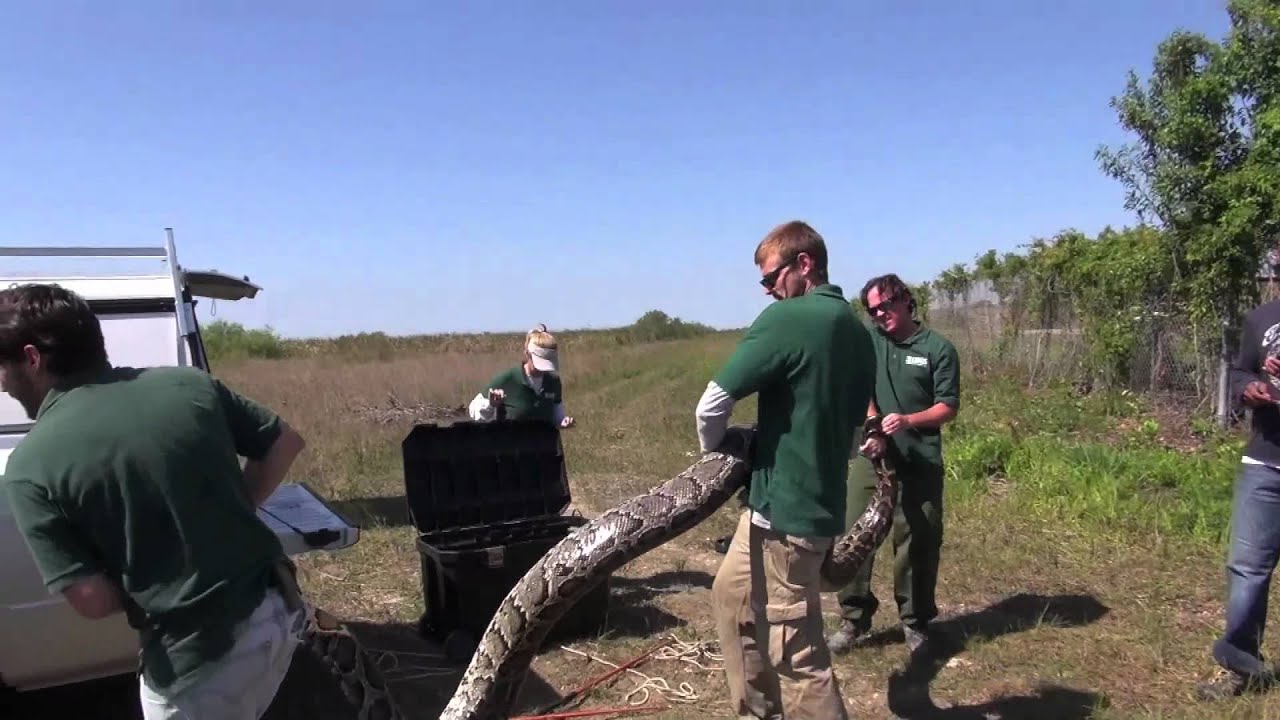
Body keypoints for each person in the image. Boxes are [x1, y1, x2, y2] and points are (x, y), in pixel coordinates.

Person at [0, 283, 309, 720]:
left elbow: (93, 600)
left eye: (1, 365)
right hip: (277, 610)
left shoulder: (30, 467)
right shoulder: (187, 383)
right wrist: (232, 511)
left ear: (32, 358)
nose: (2, 382)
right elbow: (284, 442)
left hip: (198, 665)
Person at [697, 220, 879, 720]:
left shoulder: (790, 318)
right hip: (788, 504)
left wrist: (713, 460)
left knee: (795, 653)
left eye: (772, 278)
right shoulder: (857, 332)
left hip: (788, 515)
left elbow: (711, 405)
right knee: (732, 597)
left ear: (805, 264)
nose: (767, 290)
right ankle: (759, 711)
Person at [828, 273, 960, 657]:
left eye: (886, 305)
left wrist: (906, 420)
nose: (880, 314)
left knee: (918, 543)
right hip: (874, 460)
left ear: (905, 300)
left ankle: (915, 622)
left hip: (921, 463)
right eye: (872, 310)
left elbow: (947, 407)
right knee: (853, 537)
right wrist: (874, 426)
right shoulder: (871, 343)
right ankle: (853, 618)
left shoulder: (937, 348)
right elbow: (863, 388)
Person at [1196, 296, 1280, 700]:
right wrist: (1253, 389)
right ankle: (1241, 667)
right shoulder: (1261, 319)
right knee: (1246, 569)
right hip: (1266, 461)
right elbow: (1240, 374)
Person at [468, 323, 575, 428]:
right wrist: (491, 405)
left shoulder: (553, 381)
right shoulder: (507, 379)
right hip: (513, 444)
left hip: (546, 444)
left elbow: (556, 415)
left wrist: (562, 421)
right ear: (528, 354)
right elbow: (474, 411)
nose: (542, 370)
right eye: (540, 362)